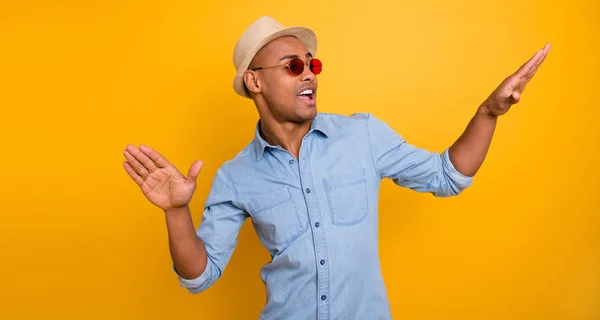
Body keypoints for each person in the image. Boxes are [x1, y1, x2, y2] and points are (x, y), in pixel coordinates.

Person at [122, 16, 550, 319]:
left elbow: (447, 176)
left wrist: (488, 112)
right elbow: (199, 274)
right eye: (293, 66)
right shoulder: (237, 177)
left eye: (312, 64)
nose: (309, 74)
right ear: (255, 81)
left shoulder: (362, 135)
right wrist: (177, 212)